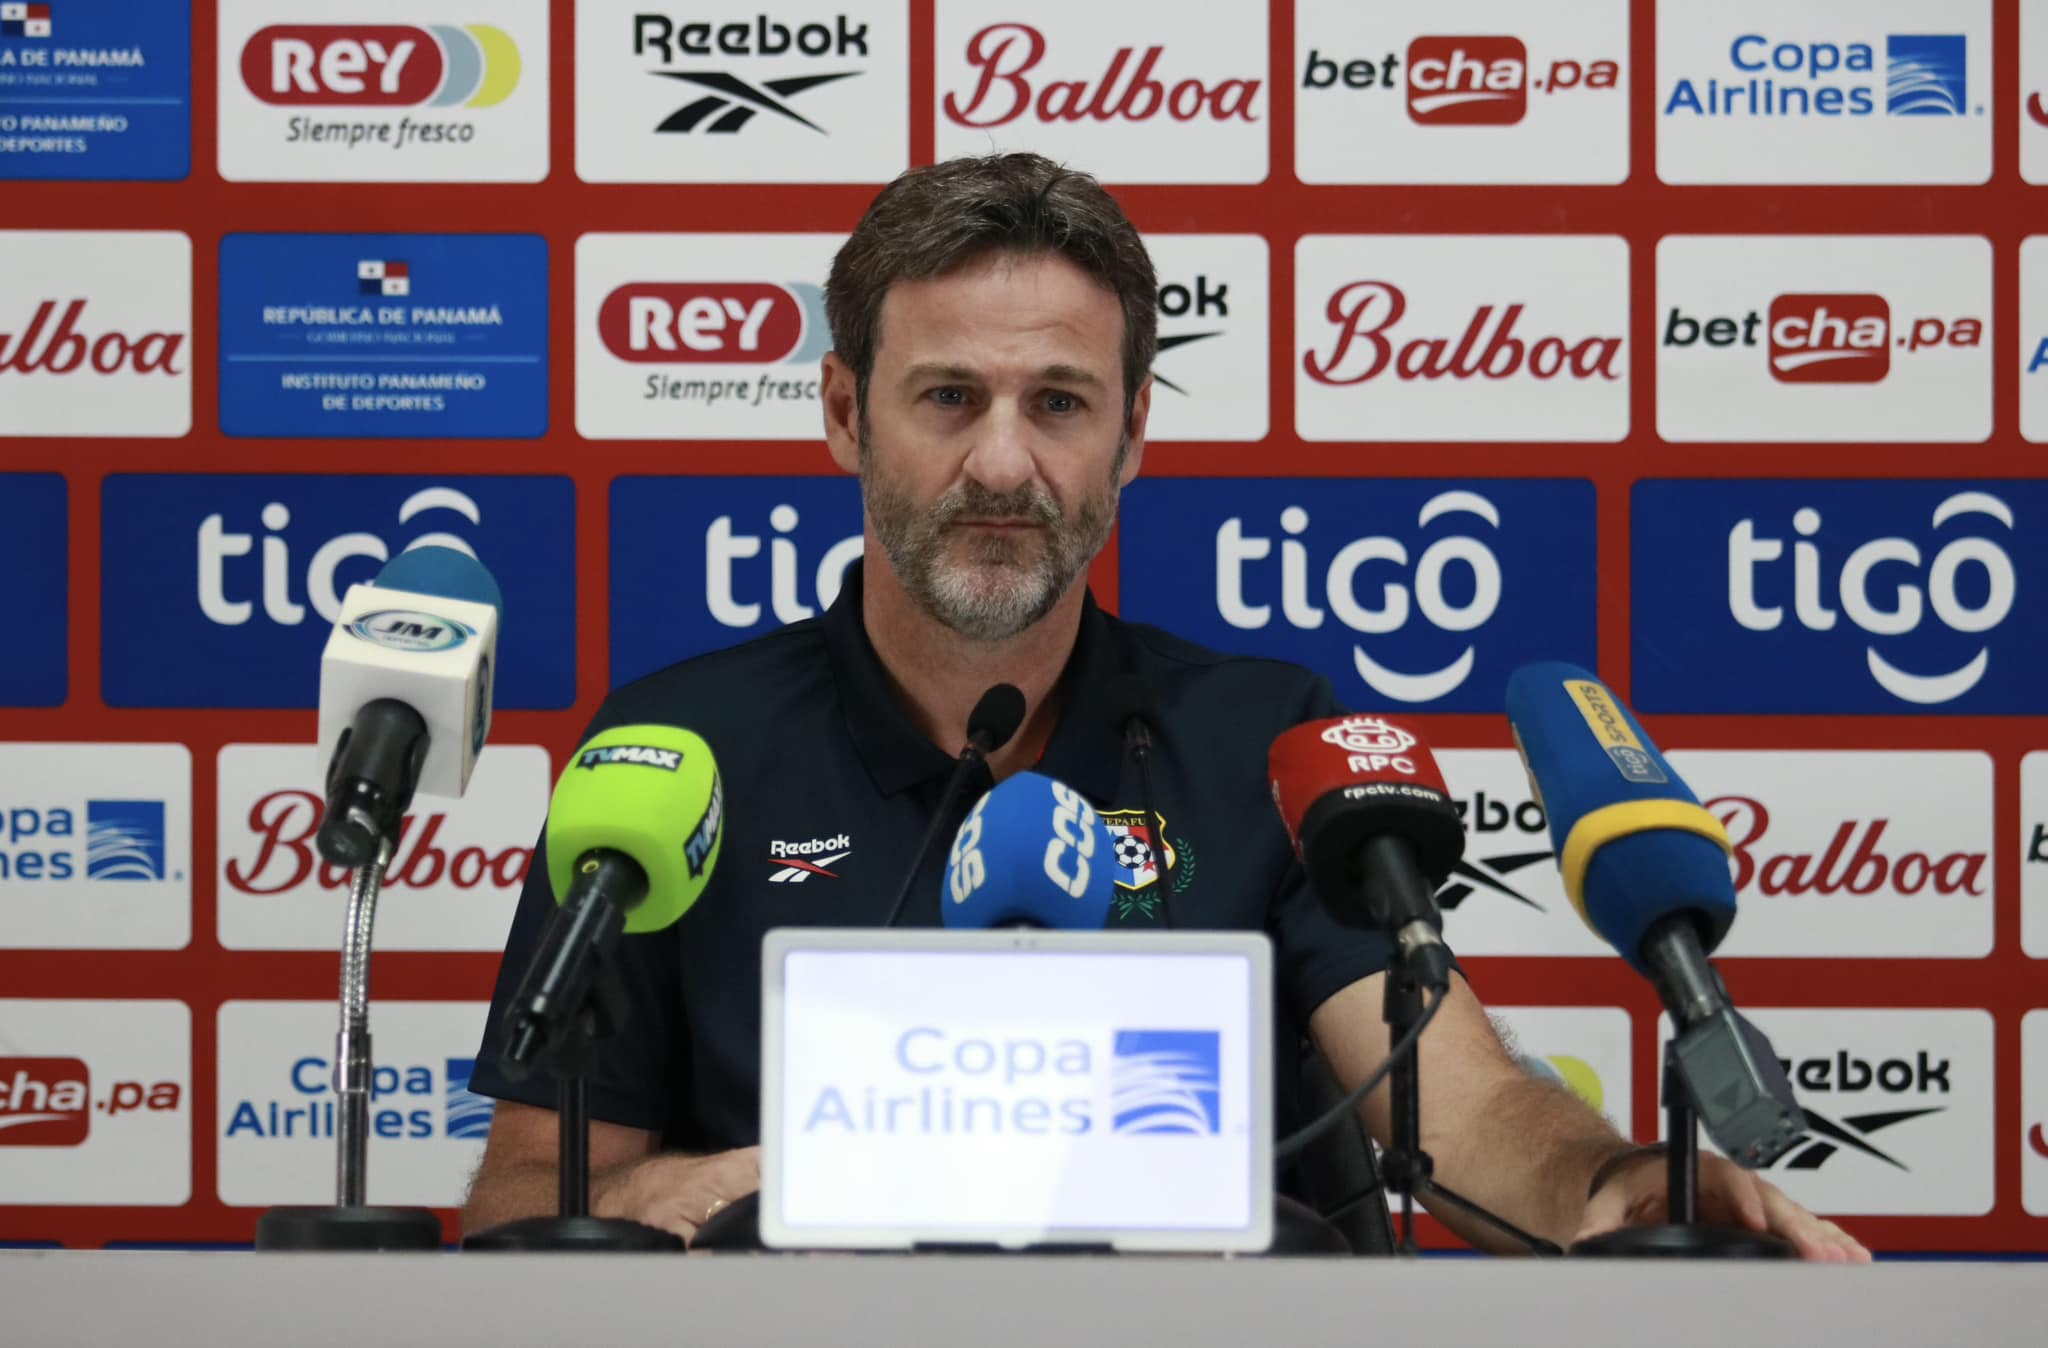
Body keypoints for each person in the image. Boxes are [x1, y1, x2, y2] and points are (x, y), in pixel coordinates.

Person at [461, 152, 1869, 1262]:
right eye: (947, 397)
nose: (1003, 463)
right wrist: (668, 1197)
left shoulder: (1266, 736)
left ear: (1133, 432)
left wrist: (1613, 1187)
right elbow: (527, 1190)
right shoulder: (673, 751)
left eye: (1060, 404)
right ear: (843, 413)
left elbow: (1464, 1103)